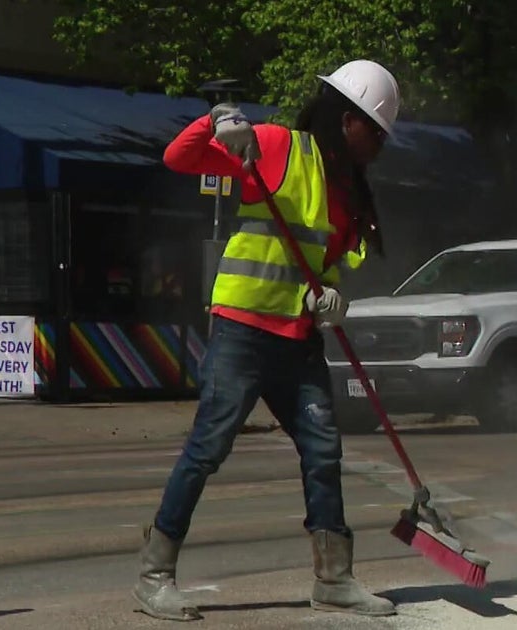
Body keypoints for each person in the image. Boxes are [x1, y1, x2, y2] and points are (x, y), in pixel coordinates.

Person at [132, 59, 401, 622]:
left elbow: (324, 265)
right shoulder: (278, 146)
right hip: (243, 332)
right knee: (208, 448)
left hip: (297, 340)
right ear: (348, 120)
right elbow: (178, 158)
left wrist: (331, 298)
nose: (379, 143)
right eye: (375, 130)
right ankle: (155, 575)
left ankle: (334, 579)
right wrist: (218, 121)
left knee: (324, 452)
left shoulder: (349, 191)